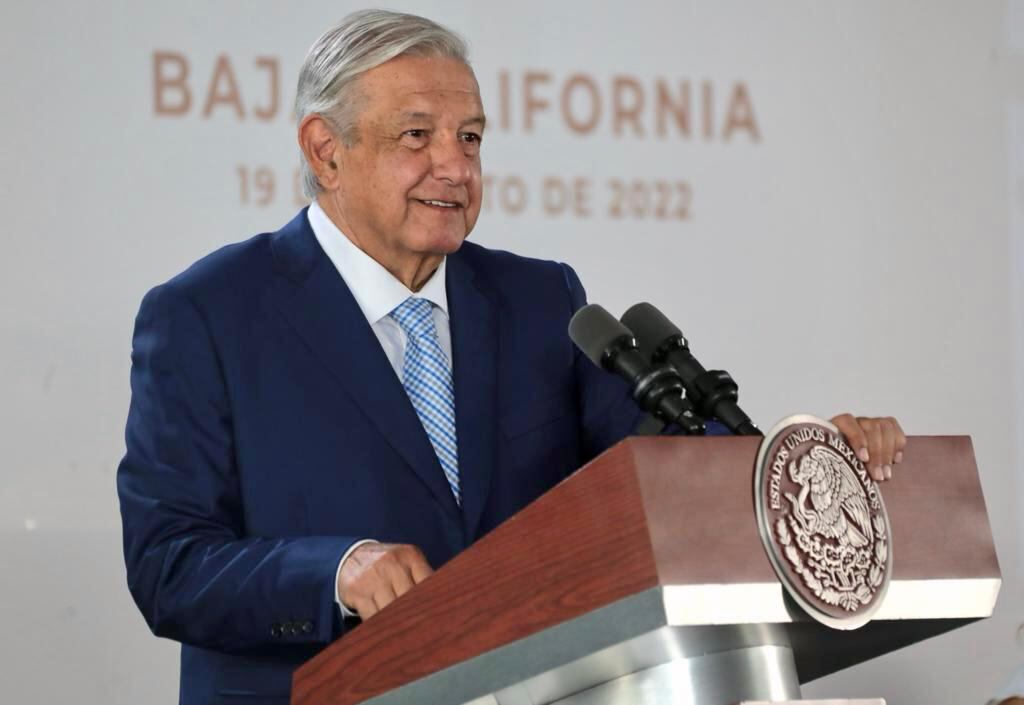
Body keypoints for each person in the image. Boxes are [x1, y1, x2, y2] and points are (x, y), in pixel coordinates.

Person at [117, 10, 906, 705]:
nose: (456, 167)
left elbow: (663, 467)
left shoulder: (541, 301)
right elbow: (168, 563)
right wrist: (336, 572)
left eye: (470, 138)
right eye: (416, 136)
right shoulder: (208, 314)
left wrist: (801, 472)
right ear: (326, 151)